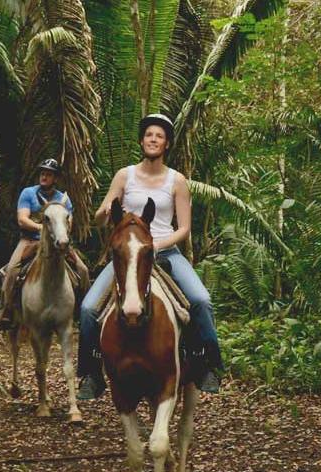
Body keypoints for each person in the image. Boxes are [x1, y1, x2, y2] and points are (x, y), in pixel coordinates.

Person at [76, 114, 223, 398]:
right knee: (88, 308)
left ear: (166, 144)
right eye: (149, 135)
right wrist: (103, 213)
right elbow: (99, 219)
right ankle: (91, 373)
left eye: (159, 136)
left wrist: (155, 245)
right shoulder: (124, 175)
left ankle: (208, 364)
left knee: (201, 300)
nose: (153, 139)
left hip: (165, 251)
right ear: (142, 141)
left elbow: (184, 229)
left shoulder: (176, 180)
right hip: (128, 253)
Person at [0, 159, 89, 327]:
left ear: (55, 178)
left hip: (57, 242)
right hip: (30, 241)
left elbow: (69, 223)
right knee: (12, 269)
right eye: (42, 173)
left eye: (49, 174)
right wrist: (43, 228)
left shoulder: (63, 199)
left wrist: (58, 233)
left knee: (83, 270)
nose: (44, 176)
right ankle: (6, 310)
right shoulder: (28, 193)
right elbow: (22, 219)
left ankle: (81, 313)